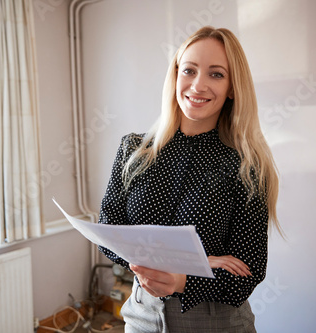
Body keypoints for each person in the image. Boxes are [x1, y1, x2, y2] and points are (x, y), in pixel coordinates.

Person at [98, 26, 282, 333]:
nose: (198, 85)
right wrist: (202, 260)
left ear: (233, 87)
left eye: (216, 74)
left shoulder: (246, 164)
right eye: (189, 70)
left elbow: (248, 271)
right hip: (141, 318)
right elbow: (109, 227)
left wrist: (182, 278)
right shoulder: (134, 149)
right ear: (175, 76)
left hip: (216, 322)